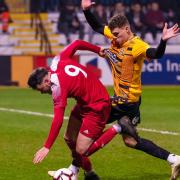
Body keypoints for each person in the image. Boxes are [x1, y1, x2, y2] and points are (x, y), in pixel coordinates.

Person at [81, 0, 180, 179]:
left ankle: (72, 170)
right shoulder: (115, 36)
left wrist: (163, 41)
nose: (114, 39)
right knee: (131, 142)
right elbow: (96, 26)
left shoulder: (137, 46)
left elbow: (155, 54)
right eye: (112, 35)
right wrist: (86, 10)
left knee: (87, 131)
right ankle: (174, 159)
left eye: (117, 35)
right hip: (127, 102)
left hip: (126, 102)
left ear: (127, 29)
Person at [28, 40, 137, 180]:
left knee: (81, 150)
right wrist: (98, 50)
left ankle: (119, 127)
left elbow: (58, 119)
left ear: (46, 82)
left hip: (97, 106)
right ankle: (87, 172)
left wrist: (47, 147)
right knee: (69, 138)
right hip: (86, 102)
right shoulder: (57, 61)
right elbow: (77, 43)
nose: (42, 93)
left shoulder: (57, 88)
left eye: (40, 90)